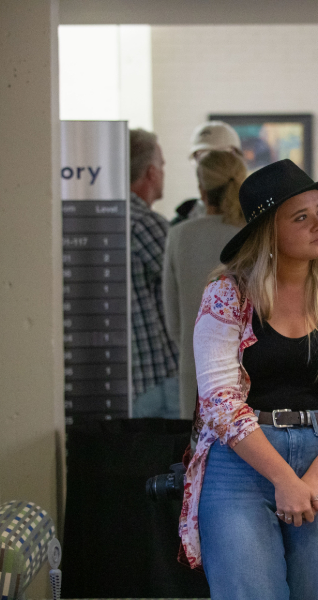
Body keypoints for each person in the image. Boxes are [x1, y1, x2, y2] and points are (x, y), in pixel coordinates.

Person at [178, 159, 318, 599]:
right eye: (301, 217)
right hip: (241, 463)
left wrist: (312, 479)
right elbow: (219, 401)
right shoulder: (228, 294)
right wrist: (285, 479)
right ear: (269, 231)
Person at [163, 150, 247, 419]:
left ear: (202, 190)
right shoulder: (256, 234)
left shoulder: (179, 236)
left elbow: (173, 321)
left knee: (201, 455)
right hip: (250, 370)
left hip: (196, 368)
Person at [128, 129, 179, 418]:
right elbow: (185, 288)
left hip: (127, 382)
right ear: (150, 172)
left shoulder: (109, 218)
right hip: (155, 378)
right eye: (162, 165)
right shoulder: (146, 224)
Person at [171, 121, 244, 225]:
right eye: (202, 156)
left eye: (218, 157)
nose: (209, 165)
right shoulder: (184, 216)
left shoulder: (260, 215)